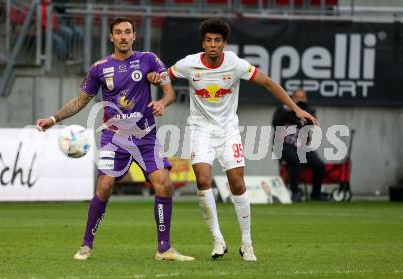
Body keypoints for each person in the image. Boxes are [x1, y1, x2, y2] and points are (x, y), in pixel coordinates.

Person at [148, 18, 317, 261]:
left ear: (224, 43)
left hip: (228, 131)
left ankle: (247, 242)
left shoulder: (235, 65)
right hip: (200, 130)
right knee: (203, 180)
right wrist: (154, 78)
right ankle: (217, 239)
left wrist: (296, 109)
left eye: (217, 40)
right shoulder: (189, 64)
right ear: (203, 43)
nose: (212, 44)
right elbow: (164, 77)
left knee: (237, 184)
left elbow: (268, 82)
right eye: (208, 40)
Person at [36, 17, 194, 262]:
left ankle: (164, 248)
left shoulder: (149, 59)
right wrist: (53, 119)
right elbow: (80, 101)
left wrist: (161, 103)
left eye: (127, 32)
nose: (123, 36)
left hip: (146, 136)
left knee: (164, 183)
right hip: (114, 137)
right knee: (105, 187)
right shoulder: (99, 68)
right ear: (111, 37)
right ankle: (87, 244)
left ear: (134, 36)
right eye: (118, 32)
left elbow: (170, 92)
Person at [272, 88, 327, 202]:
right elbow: (275, 122)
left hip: (302, 147)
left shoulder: (309, 111)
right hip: (284, 146)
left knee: (320, 165)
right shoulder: (283, 109)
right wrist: (291, 109)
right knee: (297, 160)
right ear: (291, 99)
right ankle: (295, 192)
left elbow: (313, 125)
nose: (300, 100)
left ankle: (316, 194)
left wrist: (304, 114)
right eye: (297, 97)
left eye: (302, 97)